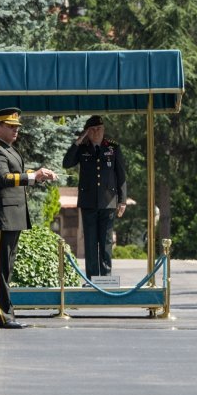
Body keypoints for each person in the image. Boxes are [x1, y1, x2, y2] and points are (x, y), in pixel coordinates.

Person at [0, 108, 57, 329]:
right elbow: (4, 178)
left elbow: (18, 171)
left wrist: (38, 173)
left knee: (6, 269)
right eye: (10, 126)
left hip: (12, 216)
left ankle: (8, 314)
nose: (16, 130)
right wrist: (33, 176)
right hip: (1, 216)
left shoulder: (8, 149)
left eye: (17, 127)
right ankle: (1, 316)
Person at [62, 115, 127, 280]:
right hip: (89, 202)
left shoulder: (113, 148)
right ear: (87, 132)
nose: (97, 132)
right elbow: (67, 163)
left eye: (99, 128)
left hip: (108, 201)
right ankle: (92, 279)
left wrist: (122, 200)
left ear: (103, 130)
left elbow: (121, 175)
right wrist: (78, 141)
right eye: (93, 129)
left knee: (105, 242)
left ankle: (106, 279)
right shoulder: (82, 149)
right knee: (90, 242)